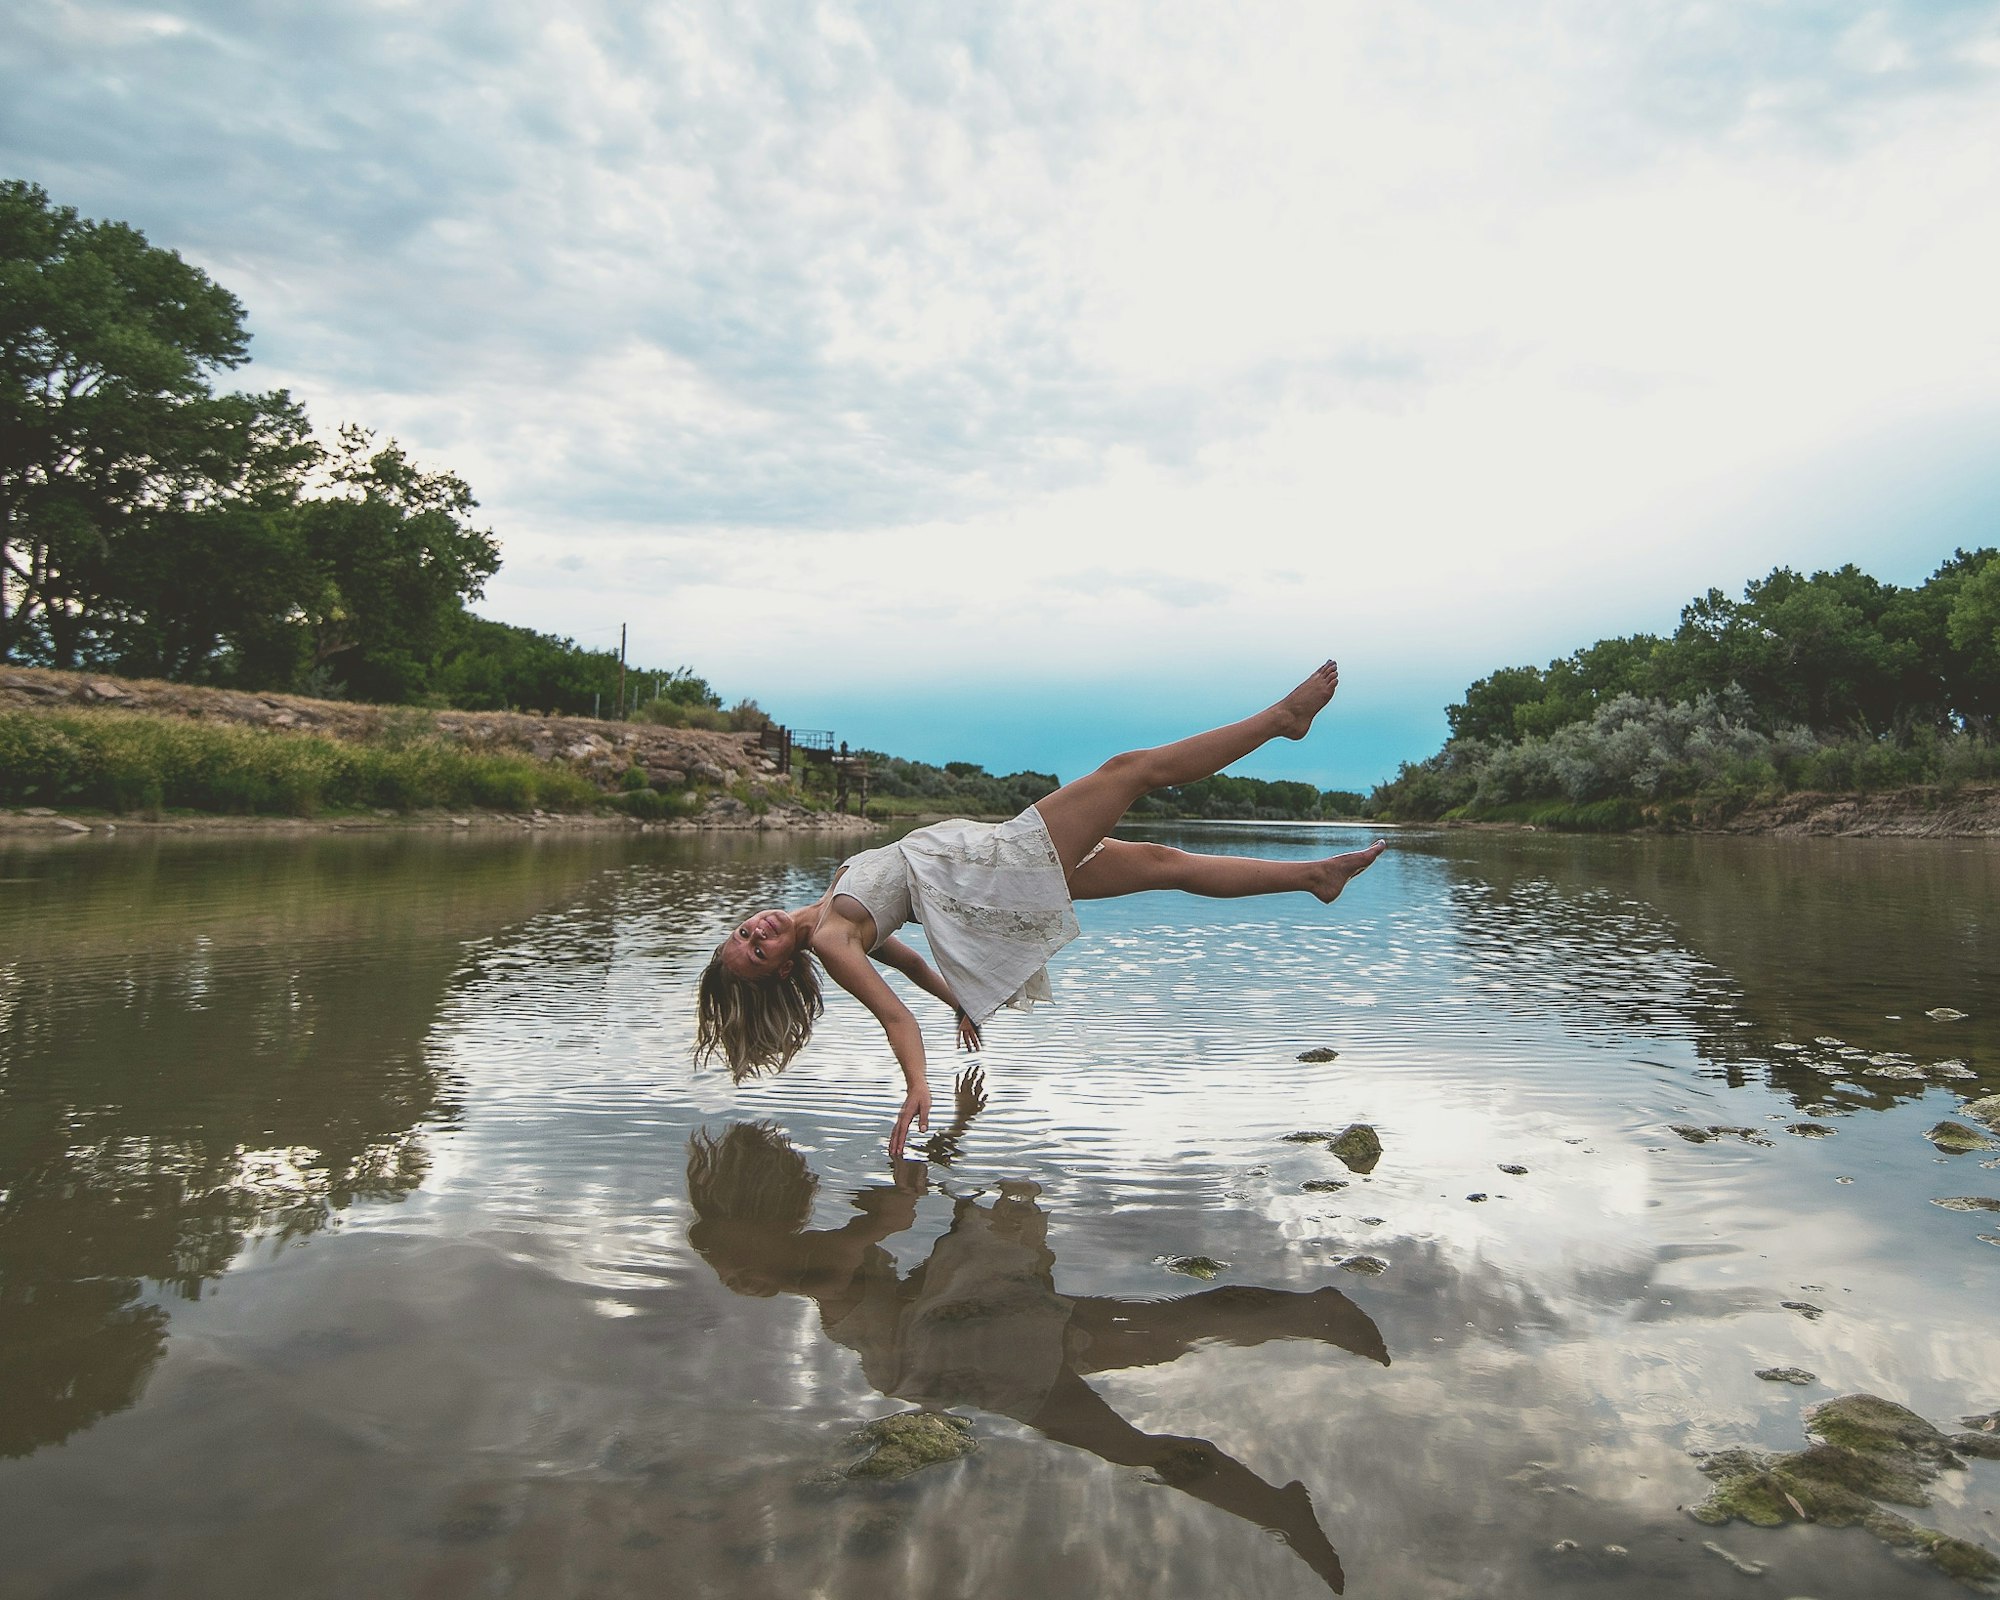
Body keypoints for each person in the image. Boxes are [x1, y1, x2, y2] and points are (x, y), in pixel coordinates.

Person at [694, 660, 1386, 1157]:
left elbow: (909, 966)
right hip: (996, 873)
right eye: (757, 952)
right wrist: (917, 1087)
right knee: (1130, 771)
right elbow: (894, 1015)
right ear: (784, 970)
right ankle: (1280, 721)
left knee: (1162, 865)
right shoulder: (837, 945)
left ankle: (1314, 875)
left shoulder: (829, 912)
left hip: (988, 868)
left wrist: (961, 1002)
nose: (755, 932)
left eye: (741, 933)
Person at [684, 1109, 1383, 1591]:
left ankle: (1281, 1492)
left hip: (976, 1351)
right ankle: (1311, 1324)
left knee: (1140, 1420)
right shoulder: (816, 1254)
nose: (734, 1276)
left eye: (733, 1256)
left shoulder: (821, 1260)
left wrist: (915, 1171)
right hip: (978, 1333)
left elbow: (894, 1215)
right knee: (1165, 1331)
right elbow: (893, 1210)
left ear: (765, 1227)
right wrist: (928, 1150)